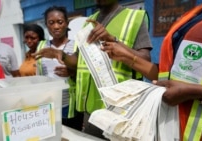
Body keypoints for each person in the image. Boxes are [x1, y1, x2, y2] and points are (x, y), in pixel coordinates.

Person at [101, 0, 202, 140]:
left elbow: (185, 86)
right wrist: (127, 56)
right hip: (173, 129)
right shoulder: (196, 14)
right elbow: (171, 76)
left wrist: (194, 91)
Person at [32, 0, 152, 138]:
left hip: (120, 111)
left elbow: (145, 62)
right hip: (91, 110)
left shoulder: (134, 18)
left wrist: (114, 41)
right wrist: (62, 55)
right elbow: (79, 61)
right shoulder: (88, 22)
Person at [37, 6, 83, 131]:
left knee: (71, 134)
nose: (56, 26)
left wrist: (72, 72)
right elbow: (39, 74)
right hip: (48, 102)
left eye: (60, 22)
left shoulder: (76, 45)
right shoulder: (42, 45)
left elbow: (85, 74)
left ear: (67, 23)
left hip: (70, 103)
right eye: (51, 23)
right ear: (46, 25)